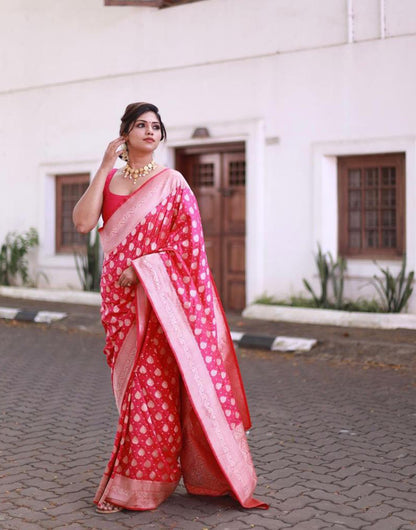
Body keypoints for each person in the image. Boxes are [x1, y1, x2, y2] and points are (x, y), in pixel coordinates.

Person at [73, 102, 268, 514]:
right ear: (125, 133)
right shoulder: (109, 179)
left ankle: (135, 484)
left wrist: (144, 268)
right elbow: (83, 223)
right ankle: (150, 478)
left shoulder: (173, 182)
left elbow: (189, 245)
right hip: (118, 300)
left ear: (162, 136)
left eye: (156, 127)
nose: (149, 132)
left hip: (160, 301)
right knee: (130, 392)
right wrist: (104, 164)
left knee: (151, 390)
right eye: (140, 125)